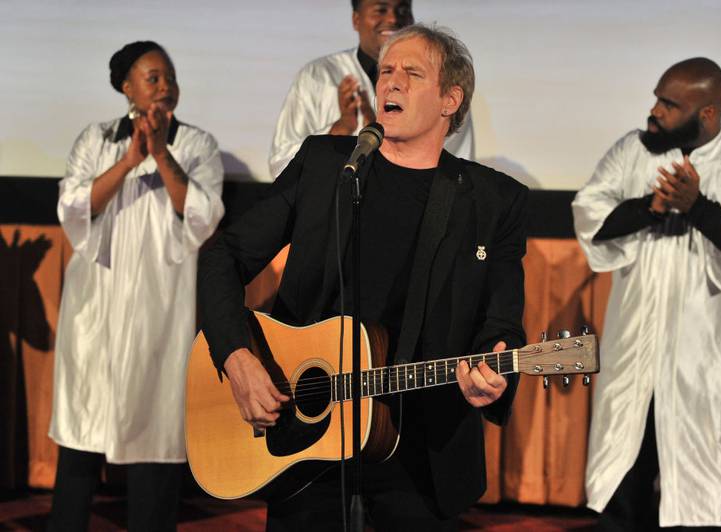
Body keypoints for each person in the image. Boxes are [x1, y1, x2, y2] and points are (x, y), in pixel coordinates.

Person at [199, 24, 526, 531]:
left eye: (411, 74)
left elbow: (501, 324)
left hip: (419, 457)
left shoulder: (494, 201)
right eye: (386, 72)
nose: (389, 83)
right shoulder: (326, 166)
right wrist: (236, 357)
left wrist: (495, 374)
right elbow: (223, 255)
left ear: (450, 100)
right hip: (304, 442)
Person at [572, 57, 721, 530]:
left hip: (705, 366)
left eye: (669, 105)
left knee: (699, 495)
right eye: (656, 98)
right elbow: (590, 212)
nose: (654, 111)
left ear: (707, 114)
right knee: (622, 486)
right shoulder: (632, 151)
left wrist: (699, 209)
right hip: (636, 358)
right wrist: (650, 208)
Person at [48, 41, 225, 531]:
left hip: (158, 311)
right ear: (126, 87)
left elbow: (204, 218)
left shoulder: (197, 145)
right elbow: (73, 210)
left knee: (155, 441)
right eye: (153, 77)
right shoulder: (95, 140)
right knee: (82, 439)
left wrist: (162, 156)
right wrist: (129, 160)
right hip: (95, 313)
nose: (165, 86)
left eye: (170, 76)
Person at [268, 0, 475, 179]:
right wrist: (340, 129)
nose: (393, 19)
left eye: (402, 10)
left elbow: (456, 171)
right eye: (380, 9)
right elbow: (281, 166)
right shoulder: (318, 76)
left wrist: (376, 128)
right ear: (356, 19)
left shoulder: (443, 80)